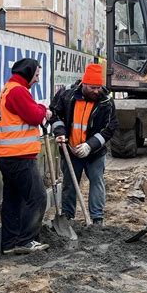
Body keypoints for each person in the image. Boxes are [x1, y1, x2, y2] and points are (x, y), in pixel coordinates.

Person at [0, 58, 52, 255]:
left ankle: (10, 243)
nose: (36, 80)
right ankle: (27, 240)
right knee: (37, 197)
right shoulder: (18, 91)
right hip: (19, 157)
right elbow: (35, 116)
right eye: (36, 75)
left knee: (13, 199)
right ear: (28, 72)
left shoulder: (8, 89)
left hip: (8, 156)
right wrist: (44, 110)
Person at [50, 64, 118, 226]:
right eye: (93, 88)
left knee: (97, 181)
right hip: (70, 149)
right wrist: (60, 132)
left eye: (99, 87)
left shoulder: (106, 102)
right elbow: (54, 113)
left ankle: (97, 218)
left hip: (94, 152)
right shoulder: (67, 95)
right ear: (84, 84)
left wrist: (90, 145)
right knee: (70, 183)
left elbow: (109, 128)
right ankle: (67, 216)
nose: (96, 91)